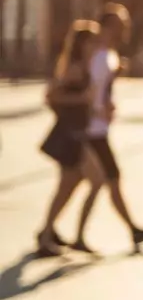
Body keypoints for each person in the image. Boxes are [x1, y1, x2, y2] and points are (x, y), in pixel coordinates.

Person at [75, 3, 143, 254]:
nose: (126, 29)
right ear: (110, 27)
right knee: (105, 179)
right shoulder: (100, 55)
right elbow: (89, 90)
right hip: (90, 129)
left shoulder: (107, 54)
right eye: (122, 25)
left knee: (99, 180)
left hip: (98, 128)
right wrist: (97, 109)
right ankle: (131, 229)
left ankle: (68, 233)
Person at [35, 20, 100, 257]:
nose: (96, 46)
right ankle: (55, 235)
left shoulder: (84, 66)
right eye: (92, 41)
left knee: (72, 183)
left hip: (77, 132)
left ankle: (48, 231)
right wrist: (80, 100)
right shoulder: (73, 68)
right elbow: (51, 96)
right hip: (70, 135)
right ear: (83, 44)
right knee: (95, 179)